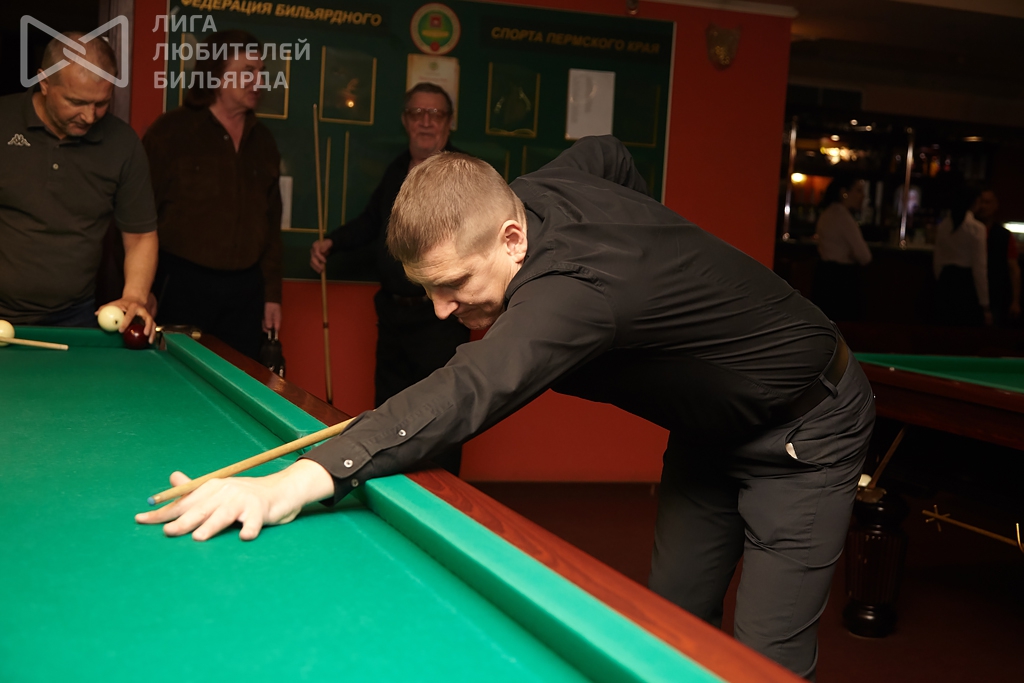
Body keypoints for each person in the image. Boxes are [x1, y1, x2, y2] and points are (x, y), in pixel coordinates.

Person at [138, 136, 875, 679]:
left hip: (804, 428)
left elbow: (467, 389)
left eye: (454, 284)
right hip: (706, 428)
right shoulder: (535, 192)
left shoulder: (573, 294)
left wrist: (291, 483)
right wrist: (653, 257)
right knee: (672, 624)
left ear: (512, 238)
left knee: (761, 660)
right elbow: (610, 154)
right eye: (428, 288)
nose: (441, 308)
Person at [308, 82, 469, 474]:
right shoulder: (397, 170)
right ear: (405, 121)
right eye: (417, 113)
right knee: (390, 412)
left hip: (440, 320)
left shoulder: (464, 175)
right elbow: (372, 222)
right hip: (394, 317)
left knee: (442, 415)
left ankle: (445, 499)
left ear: (449, 123)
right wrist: (333, 242)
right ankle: (393, 491)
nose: (426, 122)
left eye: (435, 114)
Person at [0, 32, 158, 338]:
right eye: (76, 102)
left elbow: (140, 236)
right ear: (44, 82)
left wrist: (135, 296)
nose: (89, 116)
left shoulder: (122, 144)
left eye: (101, 103)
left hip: (74, 317)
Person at [143, 30, 283, 360]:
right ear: (217, 73)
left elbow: (272, 227)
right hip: (180, 284)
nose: (259, 81)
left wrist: (272, 295)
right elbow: (137, 217)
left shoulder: (263, 141)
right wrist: (140, 289)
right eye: (248, 71)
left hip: (245, 291)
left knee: (240, 375)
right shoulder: (170, 132)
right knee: (172, 375)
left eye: (261, 72)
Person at [810, 175, 872, 321]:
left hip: (823, 275)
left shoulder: (827, 213)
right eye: (858, 191)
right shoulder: (843, 217)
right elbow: (865, 256)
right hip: (841, 281)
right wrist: (850, 255)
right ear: (844, 192)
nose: (863, 196)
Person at [932, 183, 989, 327]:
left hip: (946, 279)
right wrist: (985, 304)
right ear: (975, 202)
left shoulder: (943, 225)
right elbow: (979, 267)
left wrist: (941, 280)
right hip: (965, 283)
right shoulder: (977, 228)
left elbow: (937, 260)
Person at [973, 189, 1020, 327]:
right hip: (971, 293)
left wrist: (1015, 301)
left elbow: (1014, 269)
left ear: (995, 205)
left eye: (987, 202)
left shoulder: (1003, 235)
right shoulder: (969, 230)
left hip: (996, 294)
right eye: (981, 202)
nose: (983, 206)